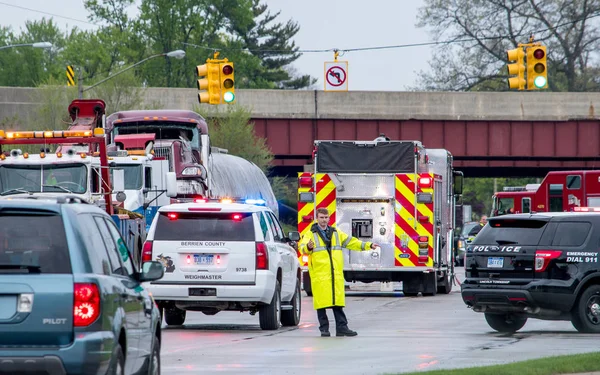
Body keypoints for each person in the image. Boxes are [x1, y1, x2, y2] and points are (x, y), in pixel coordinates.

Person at [299, 207, 380, 337]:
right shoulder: (310, 234)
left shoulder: (336, 233)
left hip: (334, 274)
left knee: (337, 303)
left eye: (326, 218)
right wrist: (308, 247)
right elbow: (302, 247)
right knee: (321, 305)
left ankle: (342, 328)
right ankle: (324, 329)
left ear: (329, 218)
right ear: (317, 218)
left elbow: (351, 242)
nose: (324, 220)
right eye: (321, 217)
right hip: (320, 274)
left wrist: (368, 245)